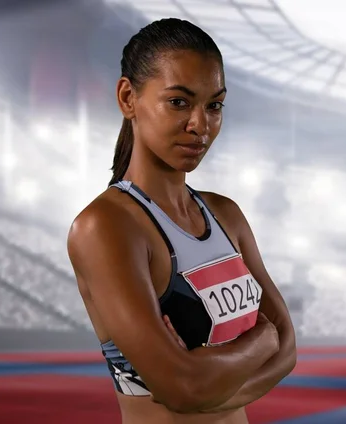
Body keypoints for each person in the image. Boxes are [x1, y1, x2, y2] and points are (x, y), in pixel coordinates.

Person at [67, 18, 297, 424]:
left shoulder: (226, 215)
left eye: (214, 105)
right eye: (178, 102)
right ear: (127, 97)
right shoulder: (106, 227)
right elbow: (183, 388)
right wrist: (261, 340)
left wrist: (208, 376)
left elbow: (289, 352)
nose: (200, 125)